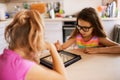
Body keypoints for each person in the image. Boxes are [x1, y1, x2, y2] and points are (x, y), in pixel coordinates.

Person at [0, 10, 67, 80]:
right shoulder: (23, 67)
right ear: (34, 40)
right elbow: (63, 78)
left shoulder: (3, 58)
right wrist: (51, 47)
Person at [54, 7, 119, 53]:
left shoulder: (98, 38)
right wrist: (58, 47)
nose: (81, 31)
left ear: (94, 26)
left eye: (85, 28)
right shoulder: (77, 36)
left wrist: (98, 50)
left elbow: (118, 48)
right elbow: (62, 47)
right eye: (79, 27)